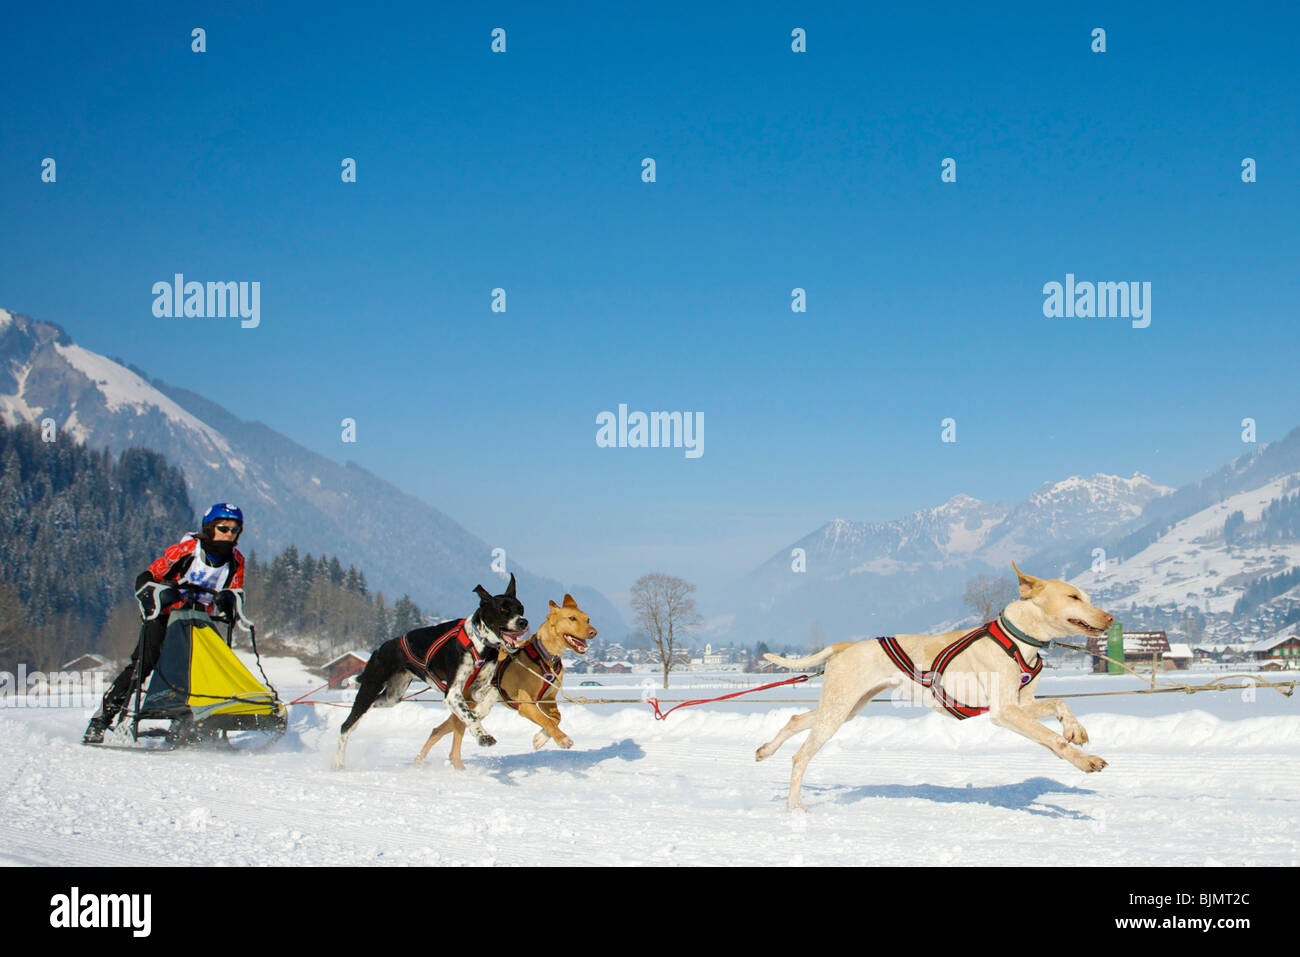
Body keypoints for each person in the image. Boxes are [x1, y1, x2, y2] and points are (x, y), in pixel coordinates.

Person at [83, 503, 248, 744]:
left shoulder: (236, 560)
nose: (229, 535)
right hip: (164, 616)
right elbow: (147, 578)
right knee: (143, 665)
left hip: (198, 620)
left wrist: (229, 602)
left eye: (235, 530)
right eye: (224, 528)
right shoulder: (188, 549)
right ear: (210, 527)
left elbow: (236, 592)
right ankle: (101, 720)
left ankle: (187, 725)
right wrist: (160, 594)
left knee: (200, 670)